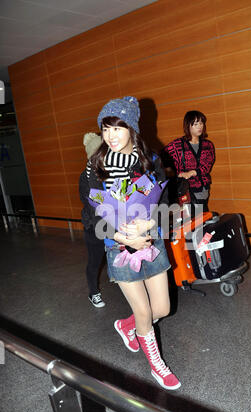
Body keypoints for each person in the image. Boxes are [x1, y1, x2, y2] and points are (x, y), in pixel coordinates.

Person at [91, 95, 181, 390]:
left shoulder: (150, 160)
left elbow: (165, 200)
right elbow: (90, 212)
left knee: (162, 309)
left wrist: (149, 224)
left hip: (150, 239)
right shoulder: (96, 166)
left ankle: (126, 325)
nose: (110, 136)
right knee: (144, 312)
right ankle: (157, 364)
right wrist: (118, 235)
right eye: (105, 129)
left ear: (131, 127)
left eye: (116, 128)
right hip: (117, 245)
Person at [162, 110, 215, 212]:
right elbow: (162, 158)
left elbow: (207, 165)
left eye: (201, 123)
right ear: (188, 126)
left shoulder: (208, 145)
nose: (200, 126)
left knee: (201, 217)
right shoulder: (177, 145)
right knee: (187, 219)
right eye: (195, 124)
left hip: (202, 189)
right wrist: (176, 174)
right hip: (184, 189)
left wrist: (191, 172)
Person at [79, 132, 106, 308]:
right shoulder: (85, 177)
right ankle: (93, 292)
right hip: (94, 225)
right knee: (95, 261)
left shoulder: (109, 171)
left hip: (112, 223)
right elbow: (91, 204)